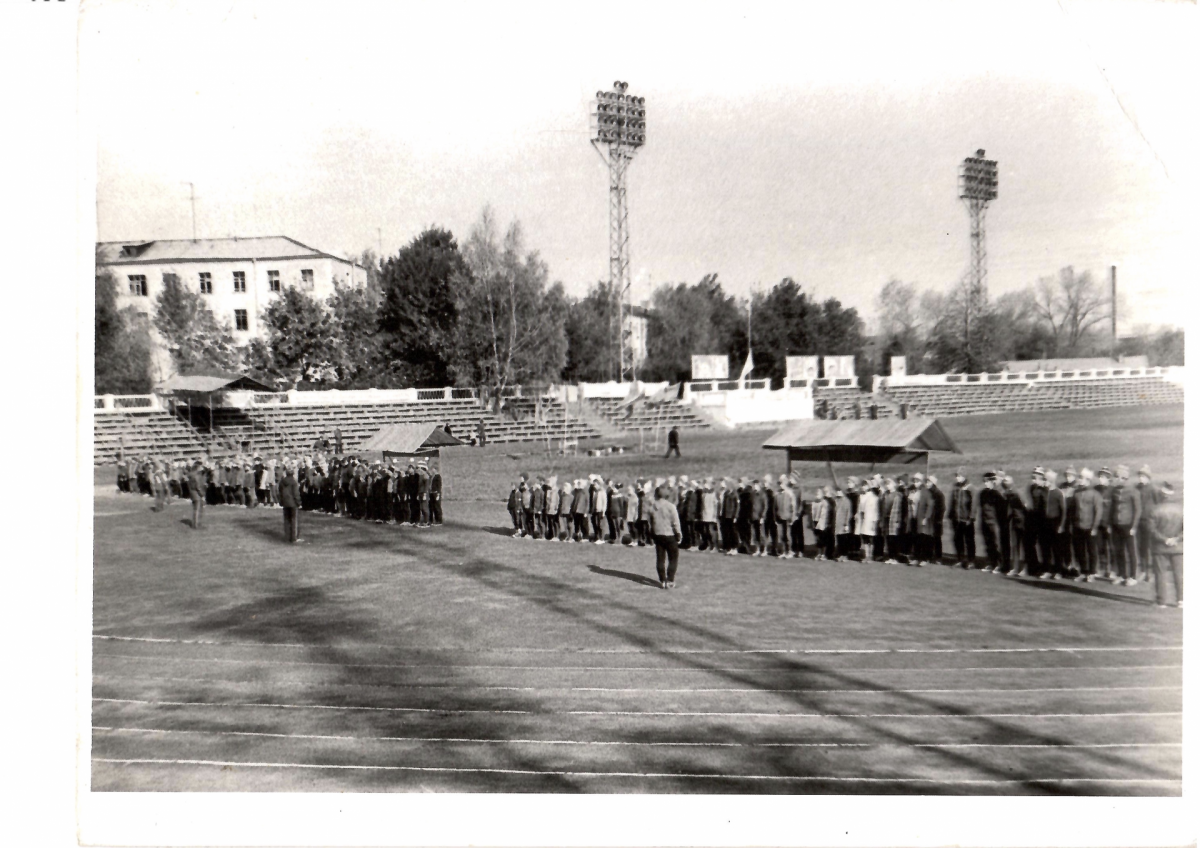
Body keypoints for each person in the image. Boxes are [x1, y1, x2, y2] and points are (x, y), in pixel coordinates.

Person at [1147, 481, 1183, 609]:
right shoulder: (1182, 509)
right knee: (1179, 574)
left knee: (1160, 573)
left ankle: (1161, 601)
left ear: (1162, 495)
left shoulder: (1155, 509)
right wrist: (1176, 539)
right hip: (1178, 547)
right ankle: (1181, 600)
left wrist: (1165, 540)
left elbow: (1151, 530)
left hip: (1160, 547)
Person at [1111, 465, 1142, 587]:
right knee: (1118, 551)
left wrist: (1134, 526)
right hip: (1116, 525)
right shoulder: (1114, 491)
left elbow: (1138, 510)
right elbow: (1112, 508)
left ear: (1124, 478)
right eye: (1116, 477)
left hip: (1128, 526)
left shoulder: (1134, 491)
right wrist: (1110, 523)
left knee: (1131, 551)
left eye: (1118, 477)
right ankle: (1121, 574)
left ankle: (1133, 576)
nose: (1116, 479)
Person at [649, 485, 683, 589]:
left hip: (658, 534)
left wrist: (652, 534)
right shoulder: (671, 506)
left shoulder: (653, 507)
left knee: (660, 558)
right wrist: (679, 534)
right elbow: (676, 522)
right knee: (673, 558)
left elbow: (650, 522)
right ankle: (670, 579)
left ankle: (662, 580)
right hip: (670, 535)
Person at [948, 469, 977, 568]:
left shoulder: (970, 488)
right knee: (957, 539)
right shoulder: (956, 487)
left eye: (959, 475)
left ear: (964, 476)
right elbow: (953, 501)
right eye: (956, 475)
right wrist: (950, 514)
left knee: (969, 540)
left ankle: (971, 561)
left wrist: (971, 517)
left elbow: (974, 504)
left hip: (966, 519)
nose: (957, 477)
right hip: (957, 519)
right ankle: (960, 559)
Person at [856, 478, 880, 562]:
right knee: (865, 538)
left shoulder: (874, 497)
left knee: (871, 539)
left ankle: (870, 555)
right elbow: (859, 508)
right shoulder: (861, 496)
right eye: (862, 485)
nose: (863, 487)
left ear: (869, 486)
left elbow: (876, 511)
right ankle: (866, 555)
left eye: (865, 485)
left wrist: (874, 522)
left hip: (870, 520)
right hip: (863, 519)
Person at [279, 463, 302, 543]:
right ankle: (294, 538)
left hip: (285, 502)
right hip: (292, 503)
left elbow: (280, 492)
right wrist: (299, 502)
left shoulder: (282, 481)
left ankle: (287, 537)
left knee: (286, 520)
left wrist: (281, 501)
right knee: (294, 520)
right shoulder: (293, 482)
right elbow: (296, 493)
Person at [187, 460, 206, 529]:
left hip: (192, 493)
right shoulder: (196, 475)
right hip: (197, 494)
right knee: (198, 510)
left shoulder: (190, 474)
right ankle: (196, 524)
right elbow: (198, 487)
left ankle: (195, 524)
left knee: (195, 509)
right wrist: (202, 495)